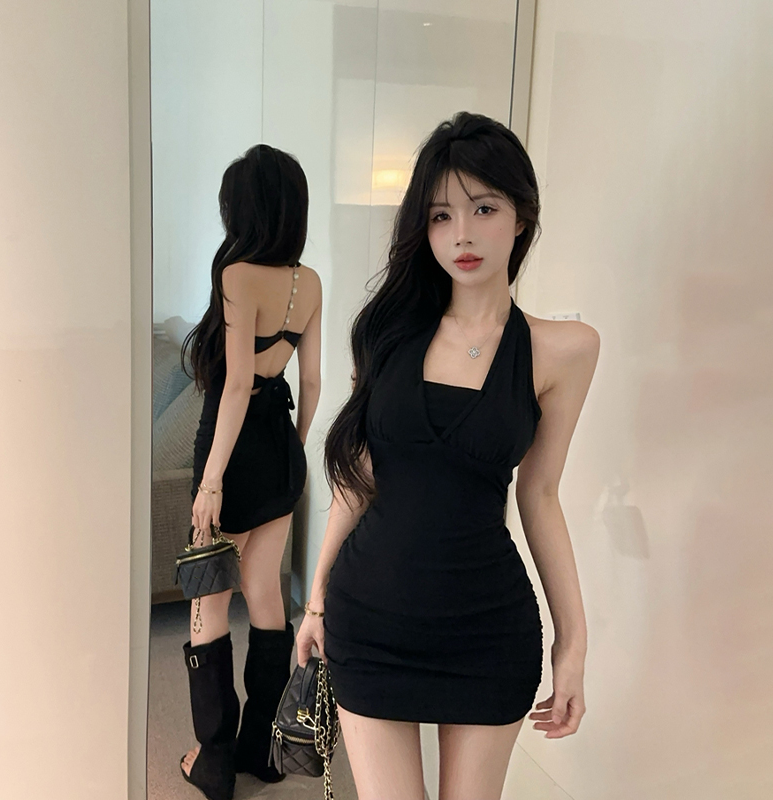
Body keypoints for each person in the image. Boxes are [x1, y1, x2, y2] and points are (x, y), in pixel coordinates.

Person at [296, 111, 599, 800]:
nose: (461, 233)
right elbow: (359, 478)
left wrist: (572, 644)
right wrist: (315, 602)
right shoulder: (385, 333)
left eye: (483, 208)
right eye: (440, 216)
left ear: (521, 217)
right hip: (370, 621)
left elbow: (540, 495)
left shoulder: (563, 350)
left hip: (486, 630)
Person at [177, 144, 322, 800]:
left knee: (208, 599)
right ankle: (261, 750)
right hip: (279, 449)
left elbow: (236, 385)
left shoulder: (237, 273)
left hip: (230, 452)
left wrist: (212, 481)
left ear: (245, 210)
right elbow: (311, 382)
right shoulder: (308, 282)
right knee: (265, 593)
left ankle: (213, 761)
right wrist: (290, 452)